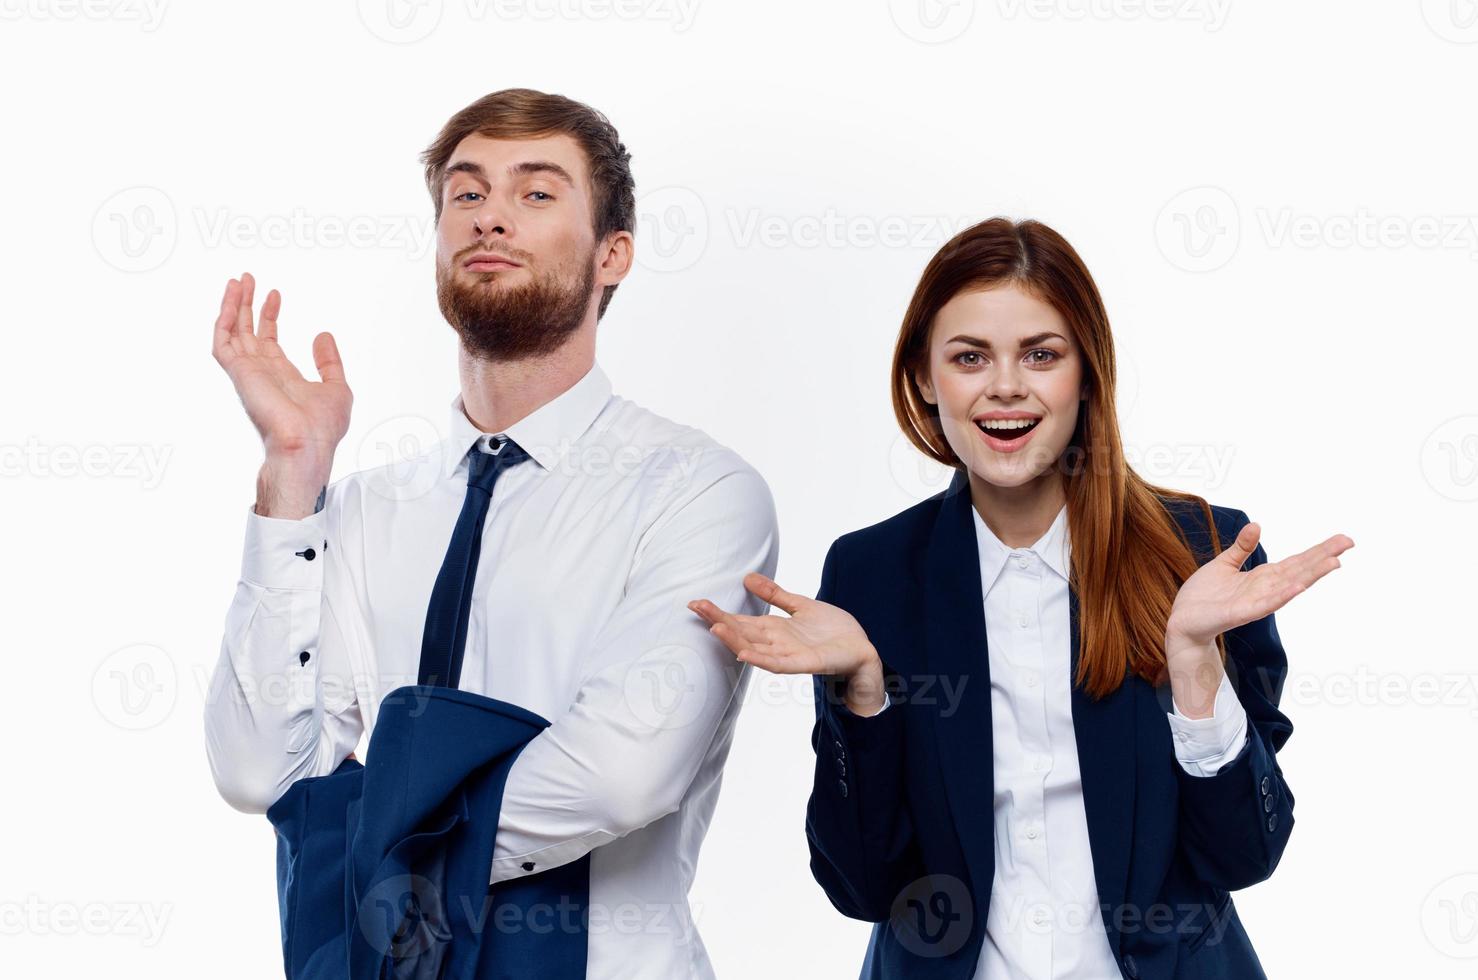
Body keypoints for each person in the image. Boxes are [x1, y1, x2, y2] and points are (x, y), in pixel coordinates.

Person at [203, 87, 778, 979]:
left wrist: (374, 842)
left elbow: (623, 774)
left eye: (537, 194)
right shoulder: (356, 511)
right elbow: (260, 774)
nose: (490, 219)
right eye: (466, 195)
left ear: (612, 255)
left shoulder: (696, 491)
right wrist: (291, 478)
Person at [689, 217, 1352, 979]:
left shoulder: (1202, 552)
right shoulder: (872, 572)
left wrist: (1195, 667)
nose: (1006, 385)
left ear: (1087, 374)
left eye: (1041, 354)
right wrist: (864, 698)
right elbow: (864, 886)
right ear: (924, 381)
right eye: (970, 357)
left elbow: (1245, 856)